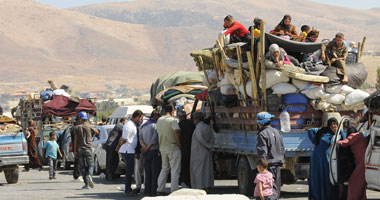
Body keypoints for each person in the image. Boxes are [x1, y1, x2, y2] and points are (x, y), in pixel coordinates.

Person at [307, 118, 346, 200]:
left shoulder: (339, 133)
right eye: (331, 124)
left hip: (328, 158)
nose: (333, 126)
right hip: (317, 158)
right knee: (317, 177)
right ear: (328, 125)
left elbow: (345, 141)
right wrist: (316, 138)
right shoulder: (324, 132)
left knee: (328, 177)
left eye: (335, 124)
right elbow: (310, 131)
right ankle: (316, 196)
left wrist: (338, 135)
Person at [256, 112, 284, 199]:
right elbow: (282, 148)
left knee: (267, 191)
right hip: (278, 164)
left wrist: (262, 169)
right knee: (275, 190)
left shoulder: (262, 134)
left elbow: (263, 153)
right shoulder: (277, 132)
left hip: (268, 166)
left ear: (260, 123)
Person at [156, 105, 182, 194]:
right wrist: (179, 143)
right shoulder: (172, 120)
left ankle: (160, 189)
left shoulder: (159, 120)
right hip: (173, 147)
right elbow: (176, 131)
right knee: (175, 169)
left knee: (164, 168)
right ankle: (174, 190)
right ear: (172, 111)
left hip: (162, 147)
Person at [118, 110, 143, 196]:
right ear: (137, 117)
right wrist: (119, 146)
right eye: (140, 118)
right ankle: (128, 189)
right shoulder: (129, 125)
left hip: (130, 150)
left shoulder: (131, 125)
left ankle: (128, 188)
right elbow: (124, 139)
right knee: (129, 171)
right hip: (128, 151)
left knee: (130, 170)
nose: (140, 120)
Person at [337, 130, 368, 200]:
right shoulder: (361, 135)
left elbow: (345, 143)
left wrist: (336, 142)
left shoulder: (354, 135)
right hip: (364, 162)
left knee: (353, 182)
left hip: (361, 164)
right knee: (362, 184)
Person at [73, 111, 99, 189]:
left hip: (80, 149)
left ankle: (86, 184)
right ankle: (89, 176)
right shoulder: (89, 126)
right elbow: (97, 131)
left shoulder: (77, 127)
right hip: (89, 148)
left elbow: (75, 140)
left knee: (83, 167)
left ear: (80, 118)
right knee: (91, 165)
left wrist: (75, 151)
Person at [190, 112, 214, 190]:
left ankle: (199, 187)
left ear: (197, 119)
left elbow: (200, 138)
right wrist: (209, 146)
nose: (193, 120)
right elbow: (213, 137)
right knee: (206, 169)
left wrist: (207, 145)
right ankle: (206, 185)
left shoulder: (198, 127)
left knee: (198, 170)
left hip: (198, 152)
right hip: (206, 151)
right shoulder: (207, 127)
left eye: (194, 118)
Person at [140, 110, 161, 196]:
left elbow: (140, 138)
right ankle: (153, 191)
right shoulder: (155, 125)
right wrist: (148, 147)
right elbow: (154, 139)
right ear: (156, 117)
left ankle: (147, 190)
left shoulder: (143, 126)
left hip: (146, 152)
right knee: (154, 172)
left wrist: (144, 147)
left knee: (147, 172)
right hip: (153, 151)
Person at [178, 111, 195, 188]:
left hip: (182, 148)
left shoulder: (179, 125)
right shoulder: (191, 123)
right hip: (191, 147)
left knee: (183, 166)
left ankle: (184, 182)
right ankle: (190, 182)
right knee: (189, 166)